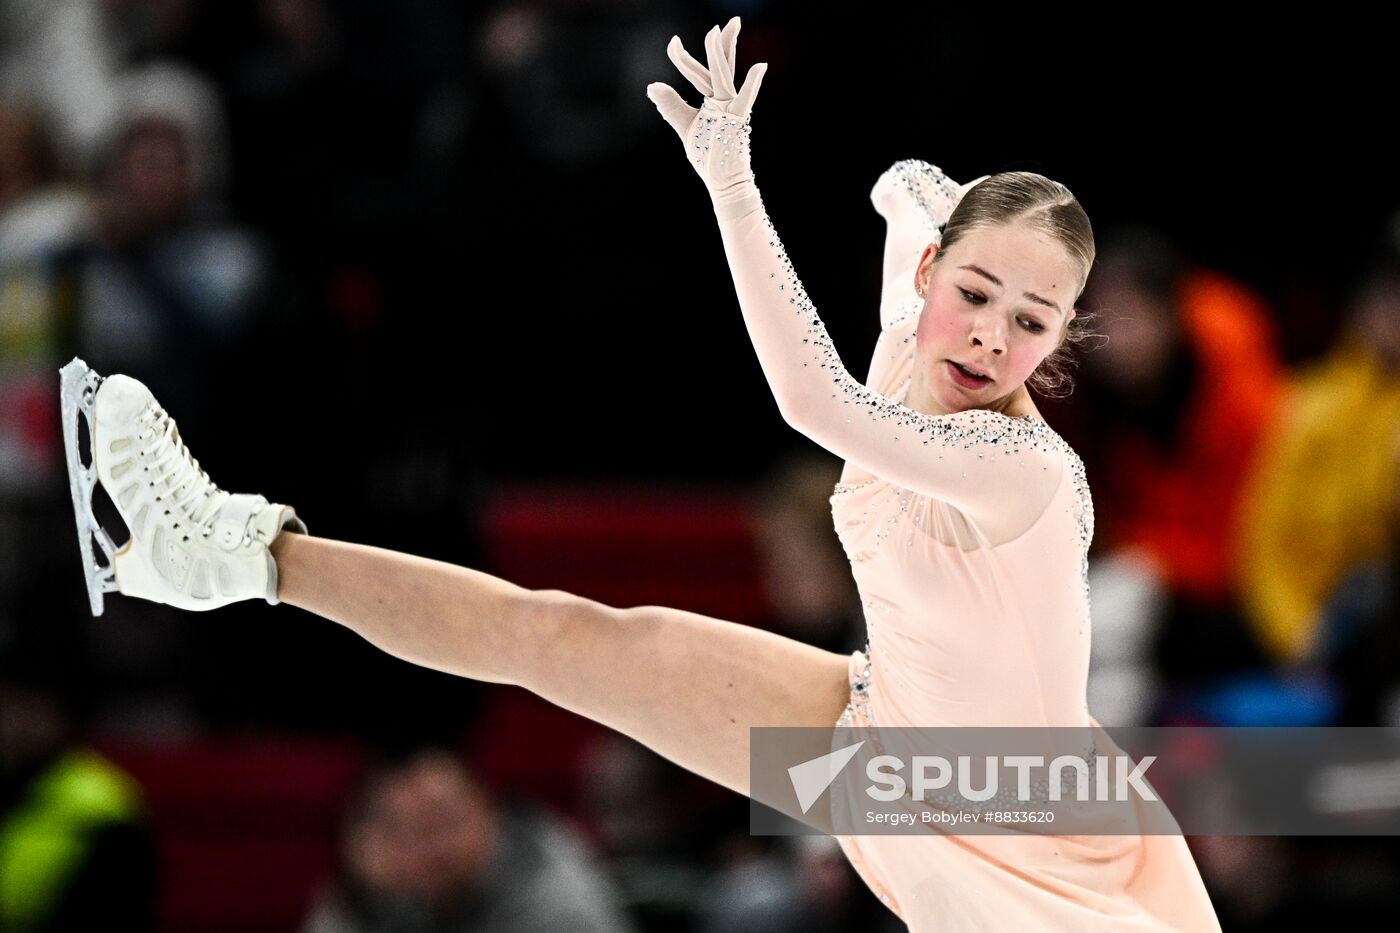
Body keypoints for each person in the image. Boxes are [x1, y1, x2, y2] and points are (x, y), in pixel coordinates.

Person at [60, 17, 1221, 931]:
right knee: (565, 636)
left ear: (1063, 340)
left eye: (1031, 322)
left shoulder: (1020, 466)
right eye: (972, 295)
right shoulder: (919, 334)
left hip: (1017, 831)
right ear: (929, 275)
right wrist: (908, 201)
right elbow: (912, 199)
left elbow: (809, 400)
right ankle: (229, 553)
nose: (989, 339)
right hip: (887, 732)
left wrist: (730, 181)